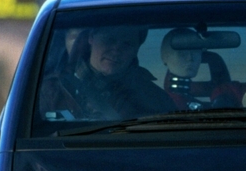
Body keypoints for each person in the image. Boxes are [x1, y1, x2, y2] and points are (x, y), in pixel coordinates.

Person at [38, 25, 172, 121]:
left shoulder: (154, 98)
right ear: (91, 38)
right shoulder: (48, 91)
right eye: (110, 40)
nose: (116, 50)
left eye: (127, 44)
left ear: (136, 49)